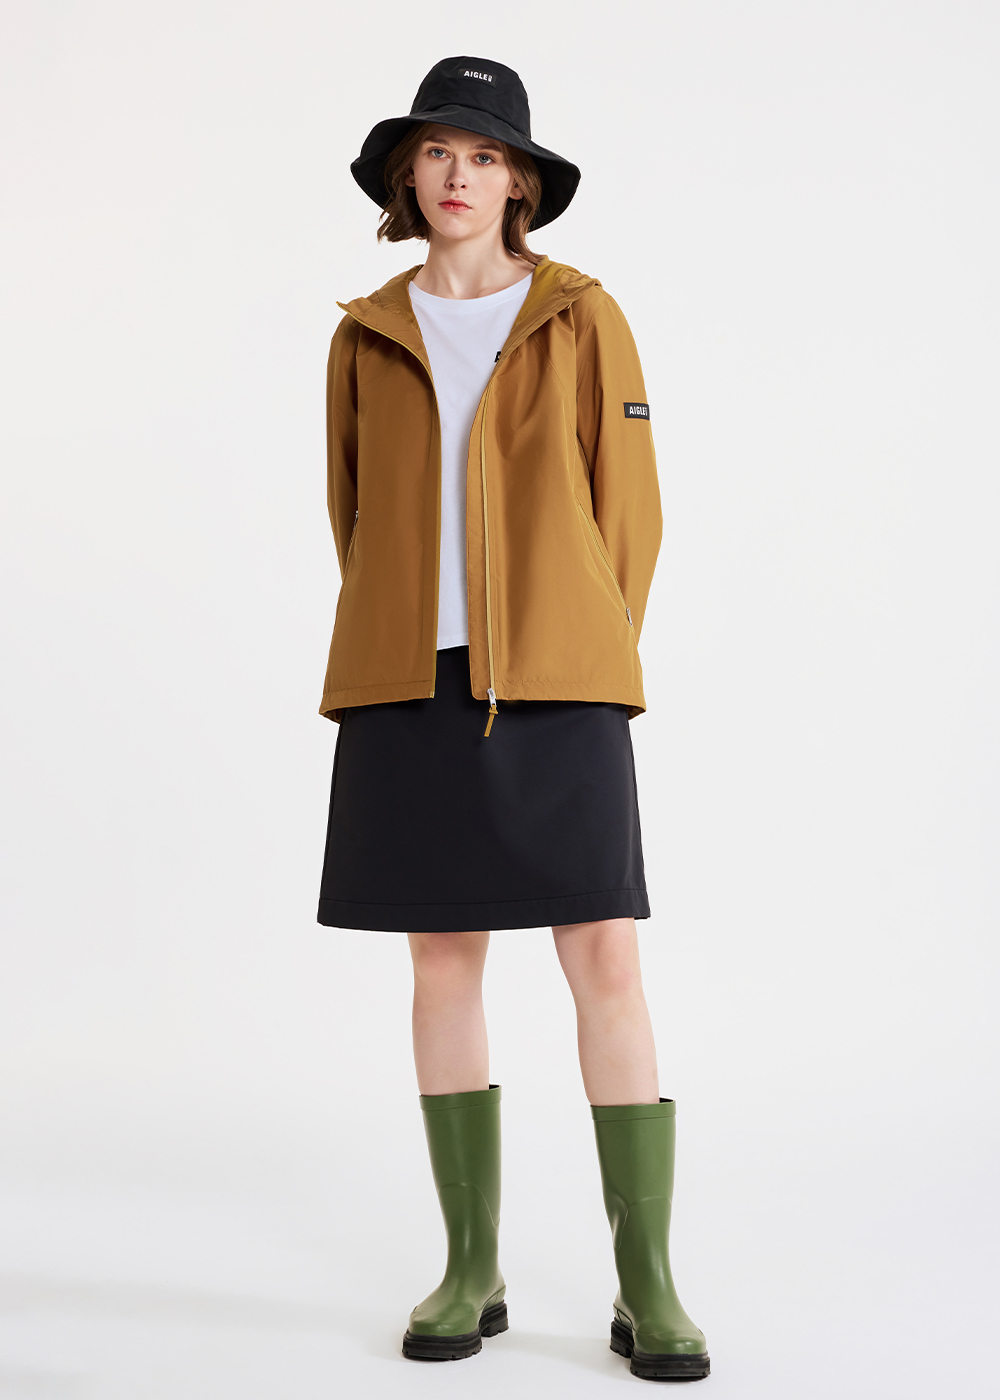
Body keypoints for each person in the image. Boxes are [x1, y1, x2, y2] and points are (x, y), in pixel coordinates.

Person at [316, 56, 710, 1382]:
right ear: (405, 175)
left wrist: (583, 640)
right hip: (407, 680)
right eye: (437, 152)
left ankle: (649, 1283)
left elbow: (629, 510)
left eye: (484, 155)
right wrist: (403, 627)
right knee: (441, 961)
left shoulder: (583, 315)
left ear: (520, 183)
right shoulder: (365, 331)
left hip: (559, 680)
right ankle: (469, 1266)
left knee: (605, 955)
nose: (459, 175)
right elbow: (352, 512)